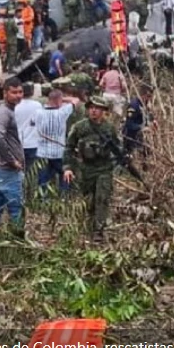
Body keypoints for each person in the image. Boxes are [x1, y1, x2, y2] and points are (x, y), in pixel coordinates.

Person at [62, 97, 124, 242]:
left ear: (103, 111)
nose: (93, 111)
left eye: (97, 108)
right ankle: (90, 224)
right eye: (91, 108)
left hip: (104, 168)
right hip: (86, 169)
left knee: (102, 198)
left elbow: (118, 147)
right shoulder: (80, 127)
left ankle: (99, 230)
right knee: (89, 200)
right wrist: (68, 168)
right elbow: (69, 148)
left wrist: (120, 162)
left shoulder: (109, 128)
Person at [0, 78, 26, 233]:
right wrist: (10, 160)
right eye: (14, 92)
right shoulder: (4, 113)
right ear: (5, 93)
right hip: (7, 170)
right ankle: (18, 240)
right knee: (16, 206)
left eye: (20, 92)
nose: (18, 95)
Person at [34, 89, 75, 193]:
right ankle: (64, 196)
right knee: (64, 175)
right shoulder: (62, 112)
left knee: (43, 178)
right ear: (59, 100)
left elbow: (32, 123)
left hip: (42, 153)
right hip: (59, 152)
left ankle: (43, 197)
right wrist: (63, 99)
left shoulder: (38, 112)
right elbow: (75, 100)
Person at [14, 83, 43, 184]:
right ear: (32, 92)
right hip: (34, 144)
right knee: (33, 172)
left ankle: (22, 189)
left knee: (19, 171)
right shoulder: (37, 105)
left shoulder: (15, 106)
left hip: (18, 144)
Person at [122, 84, 152, 164]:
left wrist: (153, 120)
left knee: (147, 153)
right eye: (148, 96)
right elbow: (129, 123)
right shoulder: (134, 105)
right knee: (134, 159)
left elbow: (147, 116)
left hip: (142, 136)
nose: (149, 99)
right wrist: (141, 128)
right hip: (132, 137)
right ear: (143, 95)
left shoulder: (145, 104)